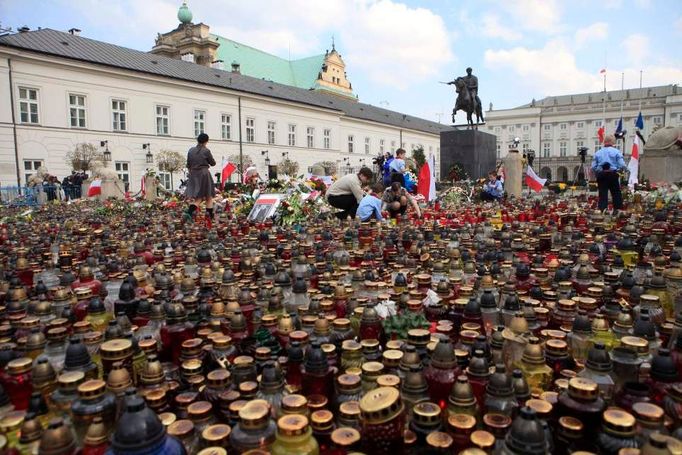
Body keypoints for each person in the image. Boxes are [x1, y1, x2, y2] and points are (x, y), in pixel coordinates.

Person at [184, 133, 217, 226]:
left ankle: (190, 212)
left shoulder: (191, 150)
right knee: (208, 195)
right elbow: (213, 163)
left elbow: (188, 164)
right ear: (206, 141)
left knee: (199, 197)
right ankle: (209, 217)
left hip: (193, 174)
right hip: (204, 173)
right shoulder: (206, 151)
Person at [591, 133, 625, 212]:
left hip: (602, 174)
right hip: (612, 174)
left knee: (602, 194)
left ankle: (602, 211)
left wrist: (599, 170)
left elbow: (593, 167)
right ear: (613, 142)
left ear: (604, 142)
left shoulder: (598, 152)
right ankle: (617, 210)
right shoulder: (616, 151)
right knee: (616, 193)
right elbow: (622, 164)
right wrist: (621, 169)